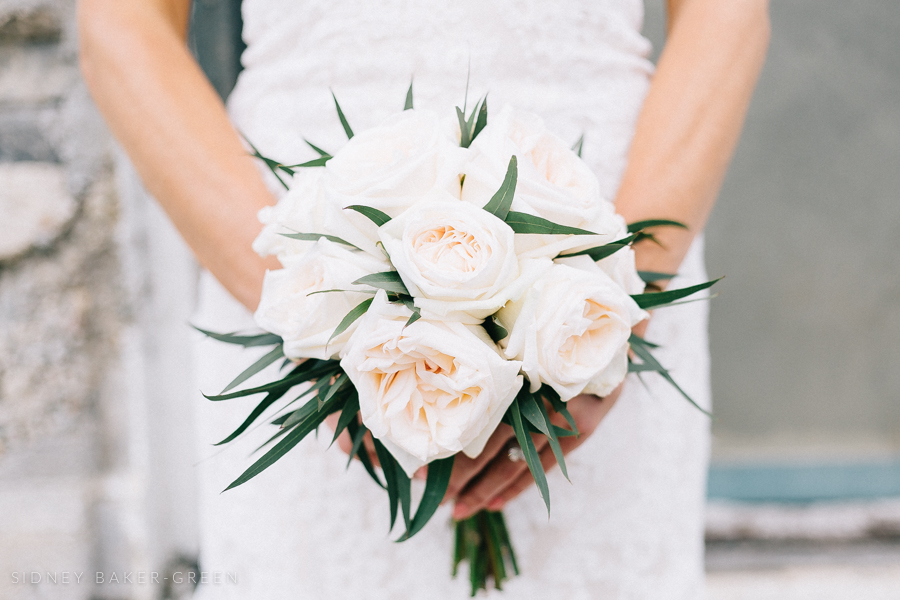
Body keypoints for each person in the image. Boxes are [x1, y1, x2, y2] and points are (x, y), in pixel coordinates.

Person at [78, 0, 770, 598]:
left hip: (605, 243)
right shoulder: (305, 303)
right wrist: (322, 318)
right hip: (285, 255)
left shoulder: (608, 299)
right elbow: (123, 23)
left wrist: (609, 312)